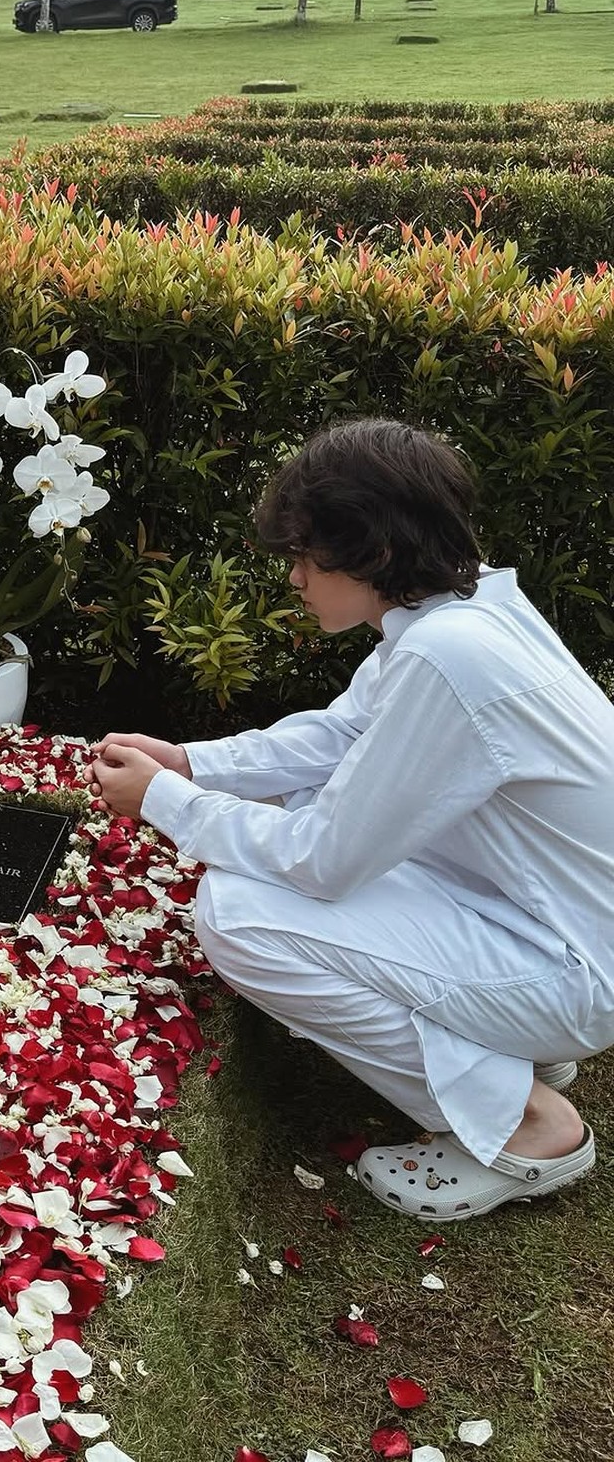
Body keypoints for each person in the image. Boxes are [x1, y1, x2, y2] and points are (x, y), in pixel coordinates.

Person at [89, 417, 614, 1222]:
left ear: (370, 551)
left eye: (305, 555)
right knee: (291, 818)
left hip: (574, 969)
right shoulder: (471, 615)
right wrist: (195, 763)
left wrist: (165, 801)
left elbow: (323, 860)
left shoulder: (450, 655)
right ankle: (512, 1044)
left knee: (239, 916)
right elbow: (341, 735)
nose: (295, 577)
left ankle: (525, 1122)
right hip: (546, 922)